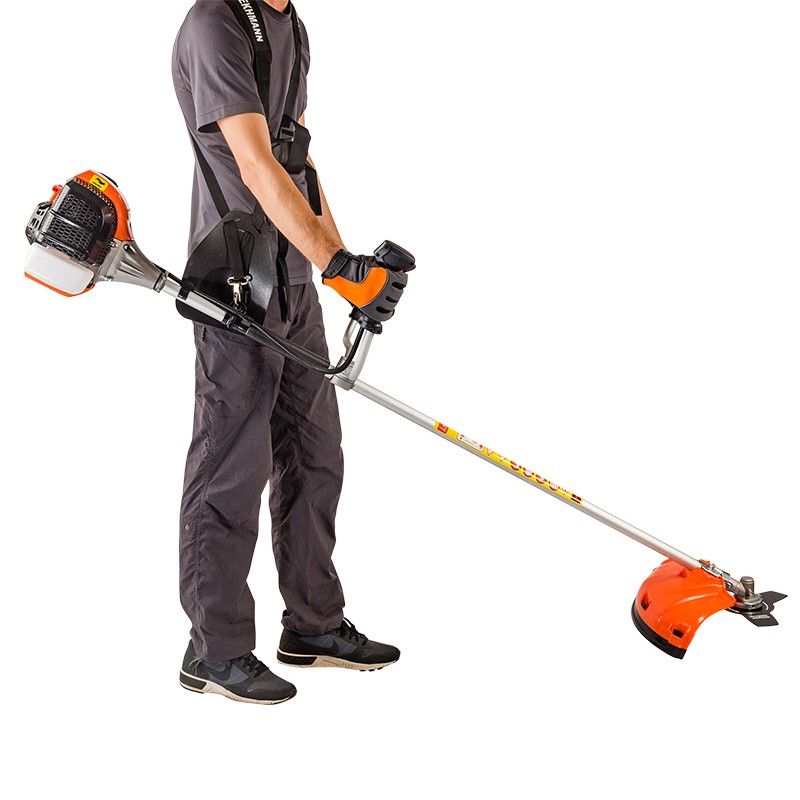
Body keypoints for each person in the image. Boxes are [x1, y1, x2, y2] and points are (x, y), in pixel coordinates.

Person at [172, 0, 409, 705]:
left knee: (315, 455)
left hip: (293, 282)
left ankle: (314, 624)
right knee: (231, 468)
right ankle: (213, 649)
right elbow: (252, 161)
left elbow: (295, 158)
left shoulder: (292, 26)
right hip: (235, 282)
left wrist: (342, 266)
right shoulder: (216, 22)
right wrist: (335, 263)